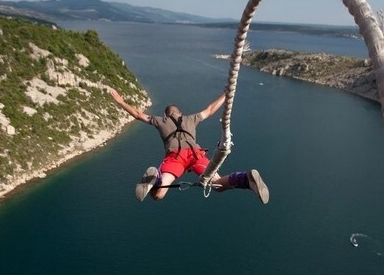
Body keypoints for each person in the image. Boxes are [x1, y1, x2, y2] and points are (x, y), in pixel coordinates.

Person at [109, 87, 269, 204]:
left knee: (158, 194)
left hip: (175, 158)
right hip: (195, 155)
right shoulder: (191, 119)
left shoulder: (160, 120)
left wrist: (121, 101)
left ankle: (156, 179)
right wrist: (226, 94)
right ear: (180, 113)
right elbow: (210, 110)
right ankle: (245, 178)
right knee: (218, 185)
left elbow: (137, 114)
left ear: (166, 115)